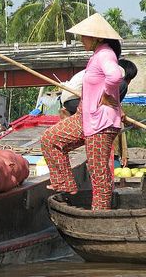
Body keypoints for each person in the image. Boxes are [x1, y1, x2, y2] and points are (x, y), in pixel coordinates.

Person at [40, 13, 124, 210]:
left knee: (98, 171)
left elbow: (115, 75)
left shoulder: (105, 54)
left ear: (97, 38)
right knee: (50, 140)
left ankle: (100, 215)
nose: (81, 40)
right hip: (84, 117)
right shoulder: (98, 55)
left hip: (101, 122)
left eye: (84, 36)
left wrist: (107, 95)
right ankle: (65, 184)